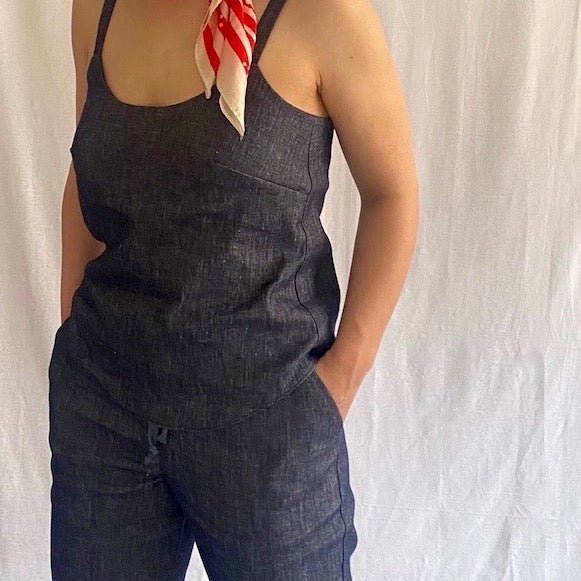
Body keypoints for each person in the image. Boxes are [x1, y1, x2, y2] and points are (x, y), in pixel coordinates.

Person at [48, 0, 419, 579]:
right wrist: (71, 322)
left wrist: (338, 381)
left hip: (268, 428)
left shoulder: (322, 12)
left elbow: (392, 195)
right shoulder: (97, 7)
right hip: (102, 416)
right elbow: (86, 170)